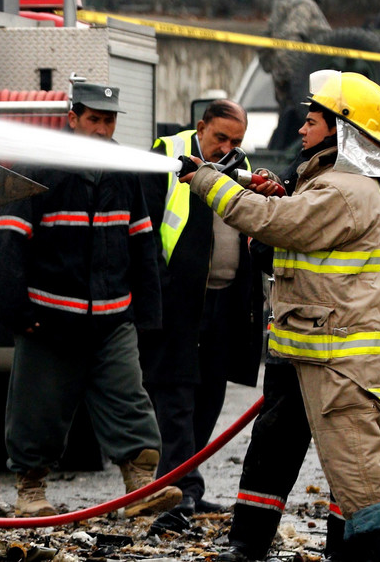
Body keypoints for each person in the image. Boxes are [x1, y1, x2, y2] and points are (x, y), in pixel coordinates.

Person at [183, 70, 380, 561]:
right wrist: (274, 195)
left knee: (362, 476)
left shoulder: (346, 190)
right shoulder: (330, 183)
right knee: (346, 471)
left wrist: (205, 178)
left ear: (342, 130)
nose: (301, 130)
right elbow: (292, 230)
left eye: (311, 122)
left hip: (343, 363)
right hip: (323, 354)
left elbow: (277, 224)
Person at [0, 82, 182, 518]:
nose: (101, 130)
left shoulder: (123, 171)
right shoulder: (36, 167)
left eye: (109, 121)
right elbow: (8, 241)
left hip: (112, 316)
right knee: (36, 410)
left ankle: (140, 487)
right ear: (73, 117)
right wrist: (15, 309)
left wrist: (147, 313)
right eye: (93, 119)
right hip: (50, 317)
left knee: (129, 401)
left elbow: (141, 241)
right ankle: (31, 491)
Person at [139, 100, 262, 534]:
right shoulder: (167, 153)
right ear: (200, 128)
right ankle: (178, 487)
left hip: (225, 301)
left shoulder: (241, 166)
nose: (227, 148)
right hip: (178, 302)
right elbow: (145, 228)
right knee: (174, 393)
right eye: (220, 138)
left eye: (236, 141)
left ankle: (184, 482)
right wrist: (156, 291)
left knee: (210, 392)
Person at [261, 0, 331, 150]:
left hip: (294, 95)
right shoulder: (302, 5)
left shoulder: (283, 3)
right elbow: (287, 49)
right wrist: (299, 86)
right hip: (302, 96)